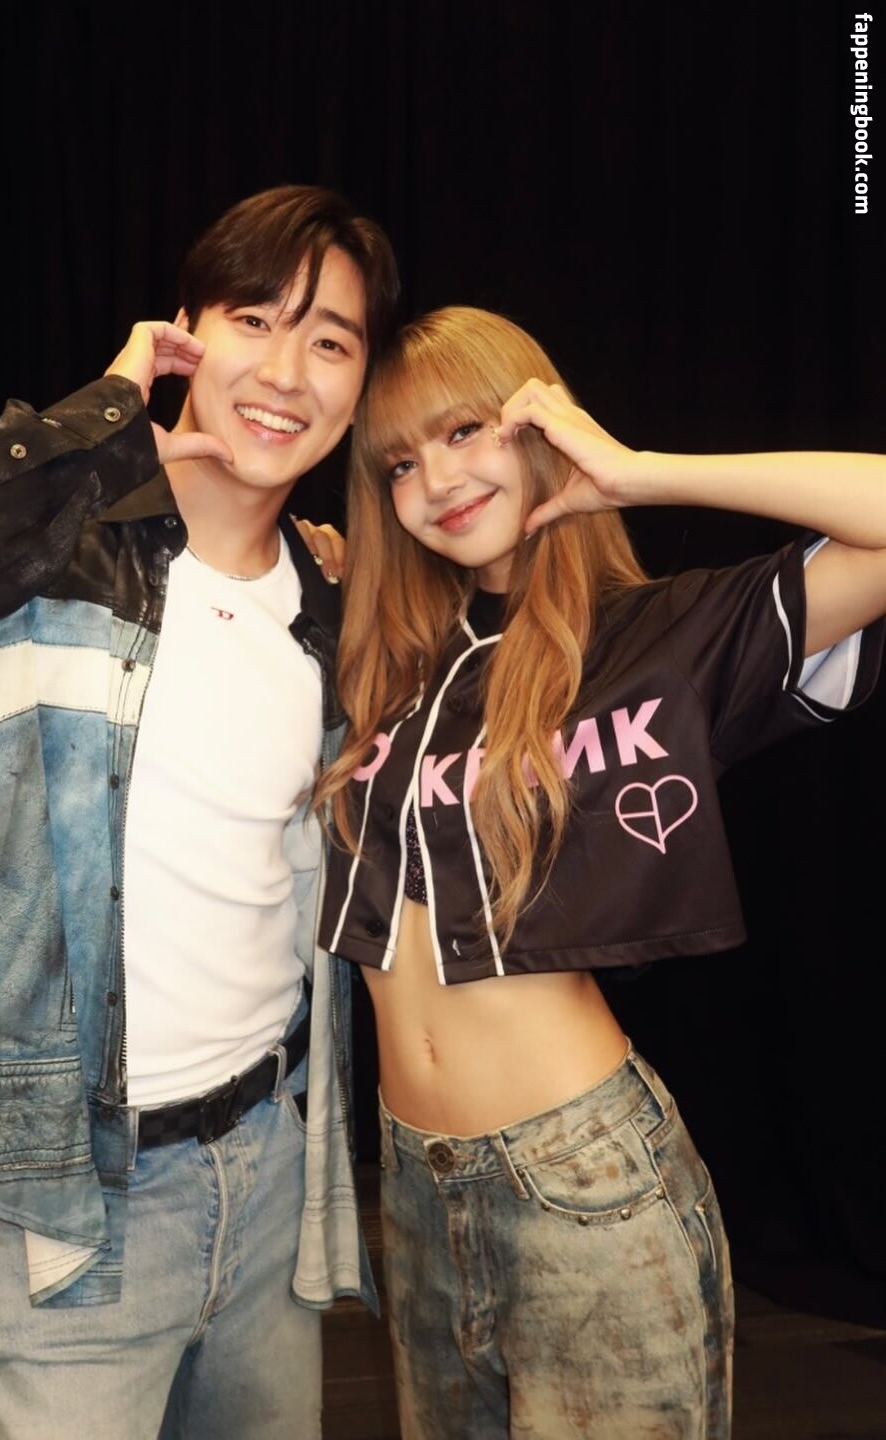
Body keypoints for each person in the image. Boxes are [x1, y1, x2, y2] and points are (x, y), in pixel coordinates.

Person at [0, 185, 398, 1439]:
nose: (286, 372)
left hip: (271, 1179)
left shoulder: (336, 611)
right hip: (75, 1215)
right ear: (183, 336)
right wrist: (91, 435)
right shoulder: (27, 574)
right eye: (255, 320)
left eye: (330, 340)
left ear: (358, 385)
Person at [315, 306, 886, 1439]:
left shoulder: (659, 636)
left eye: (465, 430)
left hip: (583, 1183)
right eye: (399, 464)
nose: (437, 479)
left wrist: (640, 473)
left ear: (541, 422)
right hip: (414, 1188)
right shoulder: (390, 665)